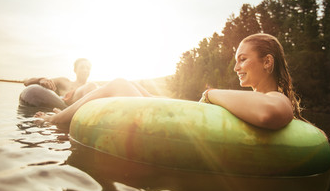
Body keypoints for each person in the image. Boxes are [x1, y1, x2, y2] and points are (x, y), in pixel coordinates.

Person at [35, 33, 301, 130]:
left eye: (243, 59)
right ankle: (64, 115)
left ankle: (55, 121)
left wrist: (211, 94)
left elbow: (270, 113)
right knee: (127, 83)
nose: (236, 66)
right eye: (236, 59)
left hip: (182, 121)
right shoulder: (252, 98)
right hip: (185, 113)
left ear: (267, 62)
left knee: (118, 83)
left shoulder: (275, 99)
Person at [24, 58, 97, 106]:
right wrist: (40, 79)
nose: (85, 70)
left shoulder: (92, 88)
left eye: (88, 68)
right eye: (82, 67)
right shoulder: (63, 82)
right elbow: (26, 82)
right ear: (75, 69)